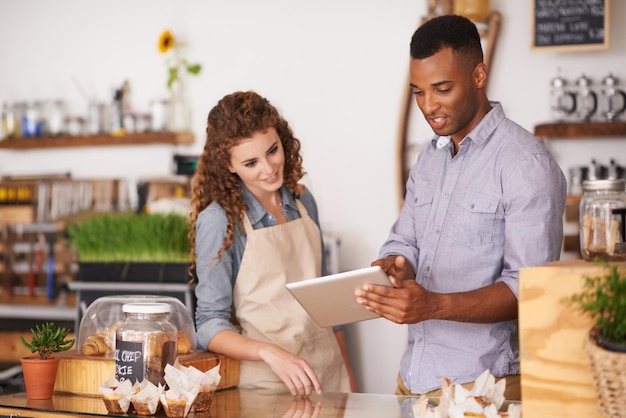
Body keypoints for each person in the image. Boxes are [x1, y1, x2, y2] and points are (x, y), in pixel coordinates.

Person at [354, 15, 566, 400]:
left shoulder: (526, 165)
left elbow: (530, 290)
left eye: (442, 88)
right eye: (418, 91)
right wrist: (399, 263)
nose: (428, 106)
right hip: (414, 378)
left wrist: (433, 305)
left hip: (483, 387)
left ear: (479, 75)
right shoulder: (430, 159)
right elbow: (404, 239)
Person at [189, 90, 353, 397]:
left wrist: (351, 383)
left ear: (282, 138)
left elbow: (330, 306)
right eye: (251, 162)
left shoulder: (304, 202)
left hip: (329, 375)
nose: (268, 168)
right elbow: (209, 325)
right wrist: (269, 352)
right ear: (228, 165)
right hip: (268, 387)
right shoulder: (220, 221)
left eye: (273, 151)